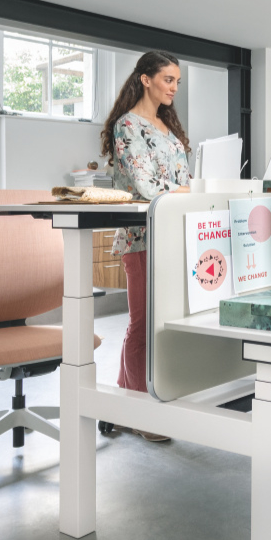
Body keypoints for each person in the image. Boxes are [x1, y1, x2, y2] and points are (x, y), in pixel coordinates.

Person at [100, 51, 192, 441]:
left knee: (154, 323)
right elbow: (145, 186)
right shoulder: (128, 126)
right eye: (168, 79)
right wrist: (188, 190)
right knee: (142, 325)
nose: (173, 87)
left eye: (177, 82)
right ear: (145, 79)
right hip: (141, 238)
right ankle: (140, 416)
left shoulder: (166, 127)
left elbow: (182, 179)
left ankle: (125, 403)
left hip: (171, 233)